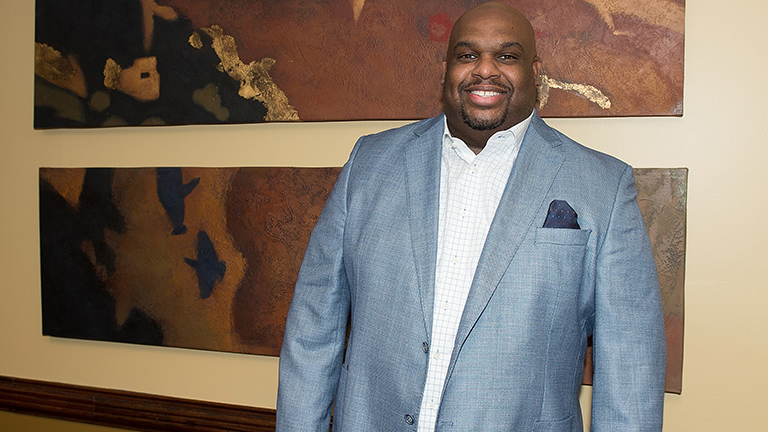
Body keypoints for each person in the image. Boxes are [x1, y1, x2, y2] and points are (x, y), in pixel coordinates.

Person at [276, 2, 666, 431]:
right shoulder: (368, 163)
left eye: (507, 55)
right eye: (467, 55)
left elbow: (631, 365)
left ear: (535, 72)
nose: (485, 69)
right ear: (446, 69)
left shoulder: (603, 186)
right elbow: (313, 326)